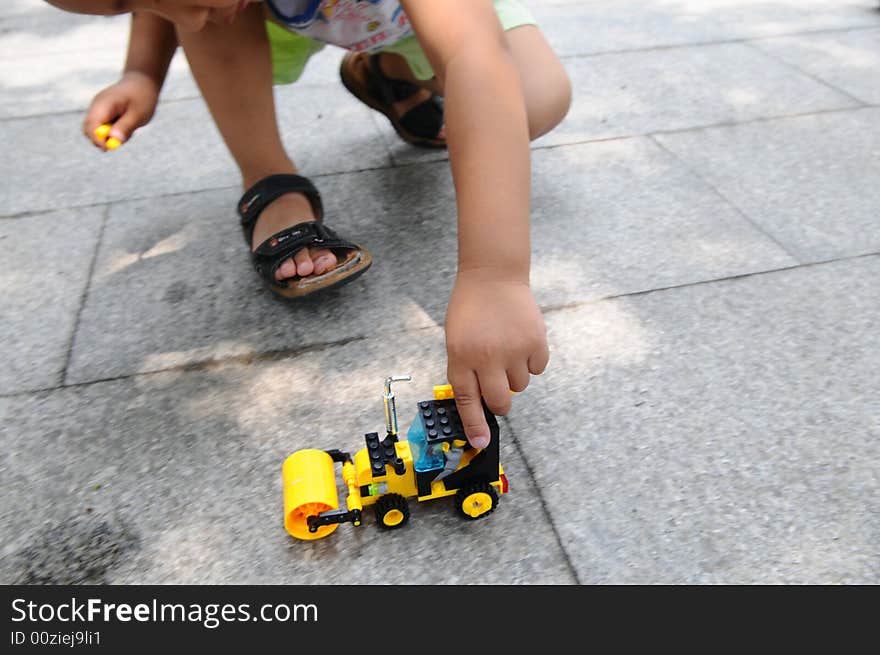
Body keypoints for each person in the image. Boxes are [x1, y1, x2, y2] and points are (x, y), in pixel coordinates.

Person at [44, 0, 572, 449]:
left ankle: (392, 72)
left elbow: (474, 55)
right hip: (283, 13)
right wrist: (142, 69)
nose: (171, 9)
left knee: (532, 98)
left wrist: (494, 277)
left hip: (430, 16)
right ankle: (268, 173)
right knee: (207, 14)